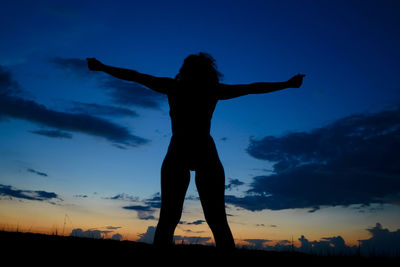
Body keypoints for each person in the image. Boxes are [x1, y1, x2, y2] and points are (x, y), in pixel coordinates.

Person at [87, 53, 305, 249]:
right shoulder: (204, 89)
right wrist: (286, 84)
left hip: (189, 151)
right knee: (197, 218)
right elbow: (252, 87)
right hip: (193, 151)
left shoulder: (180, 87)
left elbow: (135, 75)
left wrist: (286, 84)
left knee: (191, 218)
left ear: (185, 70)